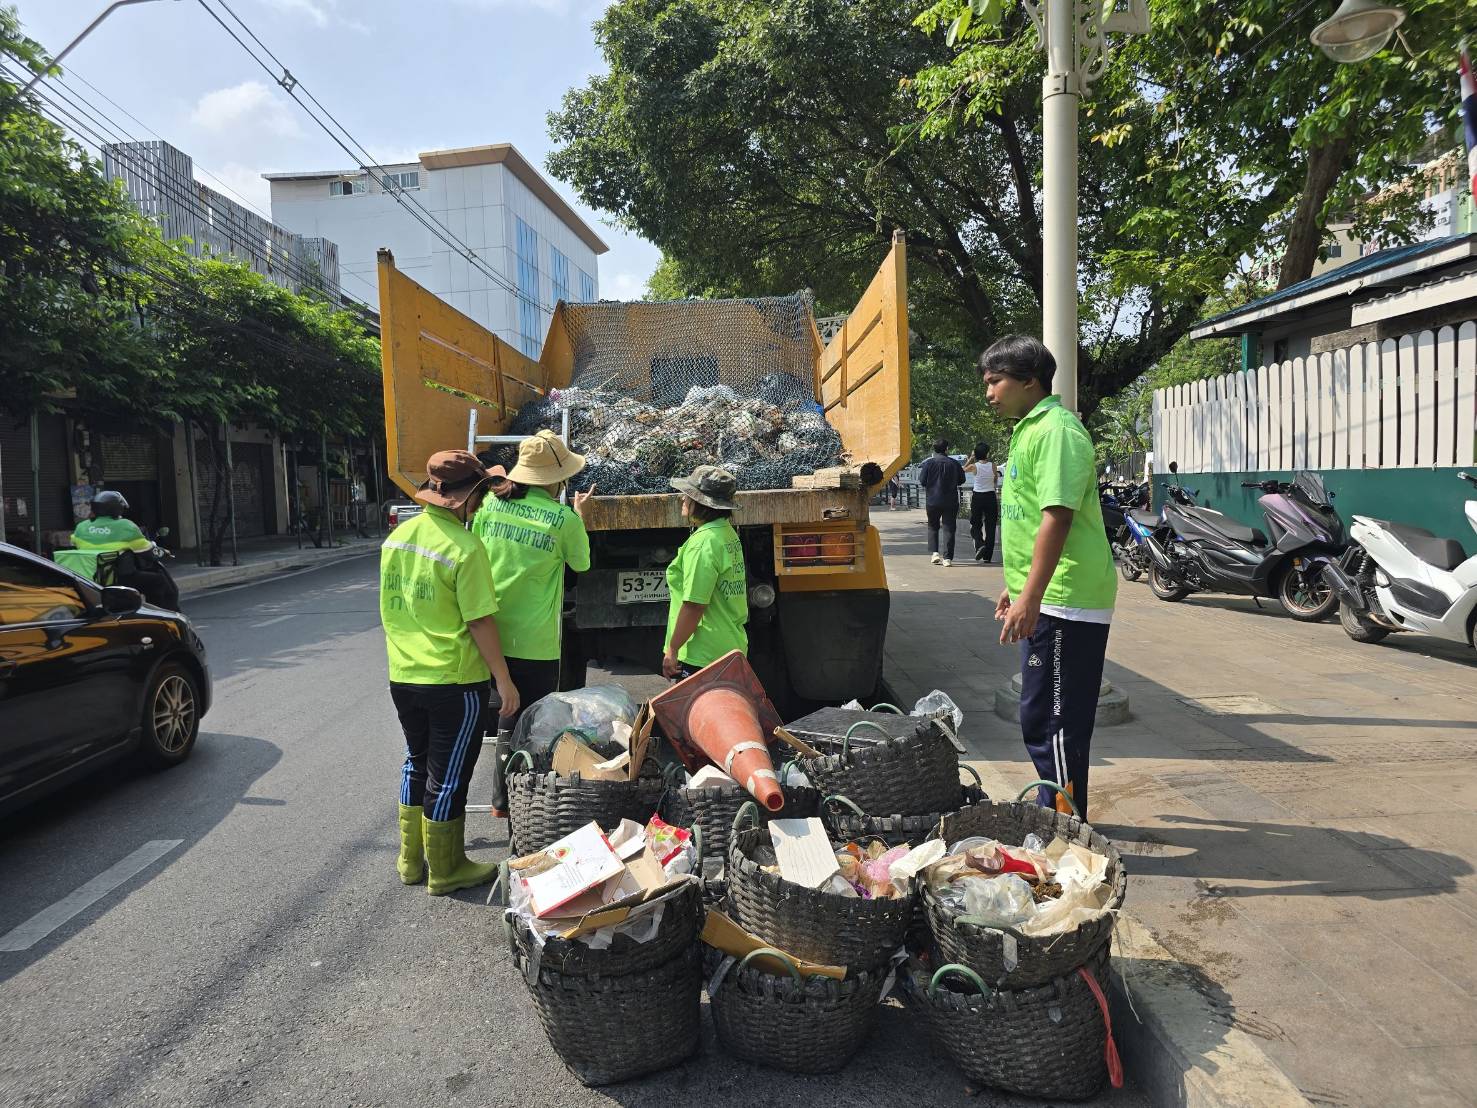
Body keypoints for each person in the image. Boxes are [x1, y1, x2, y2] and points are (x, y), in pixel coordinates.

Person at [981, 336, 1116, 822]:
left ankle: (1063, 828)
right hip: (1049, 595)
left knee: (1054, 723)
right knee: (1043, 717)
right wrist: (1016, 587)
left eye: (996, 381)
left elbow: (1057, 518)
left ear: (1029, 380)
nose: (989, 393)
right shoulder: (1030, 429)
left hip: (1065, 598)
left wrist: (1031, 597)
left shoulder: (1057, 431)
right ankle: (1057, 815)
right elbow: (1030, 519)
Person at [380, 449, 520, 896]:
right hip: (453, 682)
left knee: (416, 762)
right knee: (449, 775)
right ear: (466, 497)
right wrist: (503, 680)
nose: (481, 503)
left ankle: (410, 861)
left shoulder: (397, 539)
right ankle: (445, 869)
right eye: (480, 494)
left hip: (403, 675)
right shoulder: (464, 547)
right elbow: (480, 621)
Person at [472, 430, 594, 815]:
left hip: (485, 632)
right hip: (535, 642)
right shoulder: (563, 519)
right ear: (557, 479)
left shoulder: (490, 504)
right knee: (529, 725)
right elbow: (581, 564)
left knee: (498, 714)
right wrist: (581, 518)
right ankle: (516, 805)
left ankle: (497, 800)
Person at [662, 465, 747, 680]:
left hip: (703, 654)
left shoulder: (703, 543)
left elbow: (694, 605)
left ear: (702, 504)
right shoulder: (726, 533)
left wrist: (673, 649)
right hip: (728, 646)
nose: (683, 499)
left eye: (688, 495)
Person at [66, 490, 178, 608]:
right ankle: (158, 613)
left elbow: (73, 543)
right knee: (158, 581)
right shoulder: (125, 526)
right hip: (119, 578)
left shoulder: (82, 527)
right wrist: (164, 552)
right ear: (117, 508)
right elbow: (148, 552)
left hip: (88, 577)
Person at [918, 438, 966, 567]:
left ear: (934, 449)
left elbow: (922, 481)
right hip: (950, 500)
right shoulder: (954, 463)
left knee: (933, 526)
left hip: (933, 500)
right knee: (949, 528)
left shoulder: (929, 463)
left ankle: (935, 553)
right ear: (947, 449)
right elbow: (962, 480)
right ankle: (947, 558)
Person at [965, 441, 1001, 563]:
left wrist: (970, 458)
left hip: (978, 497)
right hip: (990, 496)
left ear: (976, 454)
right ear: (987, 453)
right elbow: (995, 480)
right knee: (991, 526)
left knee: (975, 523)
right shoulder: (993, 466)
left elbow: (961, 470)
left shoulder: (974, 466)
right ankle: (987, 557)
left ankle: (980, 545)